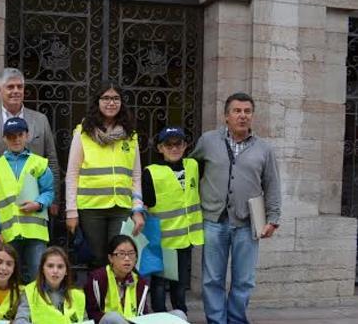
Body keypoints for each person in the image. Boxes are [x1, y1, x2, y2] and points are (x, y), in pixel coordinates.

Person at [190, 92, 281, 324]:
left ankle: (236, 320)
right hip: (213, 220)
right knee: (212, 278)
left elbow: (272, 184)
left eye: (247, 111)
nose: (242, 116)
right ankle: (216, 321)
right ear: (226, 116)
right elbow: (192, 169)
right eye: (237, 111)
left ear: (252, 116)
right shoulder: (208, 141)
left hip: (247, 222)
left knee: (244, 280)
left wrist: (273, 218)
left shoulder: (264, 149)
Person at [64, 82, 145, 268]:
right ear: (97, 102)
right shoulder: (83, 132)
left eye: (116, 98)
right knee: (97, 260)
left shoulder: (130, 135)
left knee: (120, 258)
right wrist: (71, 211)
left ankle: (116, 297)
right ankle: (97, 297)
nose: (111, 103)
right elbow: (72, 174)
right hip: (91, 209)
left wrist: (138, 209)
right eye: (106, 98)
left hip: (121, 207)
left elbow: (136, 176)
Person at [143, 126, 203, 316]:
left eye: (178, 144)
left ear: (185, 146)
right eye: (168, 145)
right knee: (160, 283)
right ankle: (159, 315)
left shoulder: (193, 165)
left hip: (186, 238)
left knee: (181, 283)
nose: (174, 148)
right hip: (162, 240)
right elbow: (145, 204)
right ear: (160, 148)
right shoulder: (151, 172)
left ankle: (180, 314)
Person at [0, 117, 54, 283]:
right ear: (4, 138)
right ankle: (13, 308)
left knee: (37, 277)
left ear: (27, 136)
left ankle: (38, 308)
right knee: (10, 278)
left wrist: (38, 204)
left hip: (35, 231)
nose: (16, 139)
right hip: (9, 233)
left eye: (20, 134)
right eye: (11, 136)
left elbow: (49, 191)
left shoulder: (39, 163)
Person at [0, 68, 60, 203]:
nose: (16, 91)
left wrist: (55, 200)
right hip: (0, 200)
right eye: (10, 87)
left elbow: (51, 159)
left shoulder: (40, 120)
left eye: (20, 87)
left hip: (36, 198)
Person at [84, 235, 190, 324]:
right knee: (113, 317)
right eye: (121, 254)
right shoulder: (97, 278)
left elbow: (143, 314)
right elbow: (92, 314)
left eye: (131, 254)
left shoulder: (140, 281)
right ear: (111, 258)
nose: (127, 258)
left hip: (134, 321)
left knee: (179, 315)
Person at [13, 246, 86, 323]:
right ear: (42, 269)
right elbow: (20, 320)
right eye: (50, 266)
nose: (55, 271)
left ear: (66, 271)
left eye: (60, 267)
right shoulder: (30, 292)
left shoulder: (78, 296)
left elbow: (85, 321)